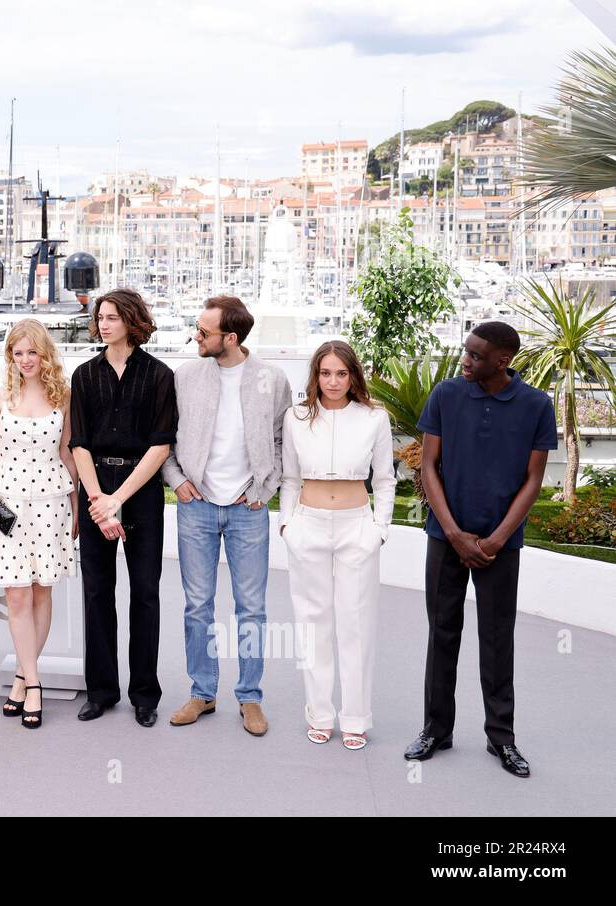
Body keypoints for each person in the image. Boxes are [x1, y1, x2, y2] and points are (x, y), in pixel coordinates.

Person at [403, 322, 556, 778]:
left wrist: (495, 539)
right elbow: (429, 465)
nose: (465, 360)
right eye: (465, 352)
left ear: (502, 360)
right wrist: (452, 532)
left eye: (474, 355)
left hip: (500, 545)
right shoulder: (447, 395)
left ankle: (502, 739)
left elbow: (533, 480)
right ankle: (436, 729)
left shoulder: (535, 405)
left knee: (496, 639)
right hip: (444, 538)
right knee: (442, 633)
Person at [162, 295, 291, 736]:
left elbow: (280, 441)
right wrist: (177, 480)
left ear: (230, 338)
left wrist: (264, 489)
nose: (195, 336)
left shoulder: (272, 380)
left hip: (247, 509)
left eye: (203, 331)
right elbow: (165, 438)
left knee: (251, 609)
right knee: (197, 606)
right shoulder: (185, 376)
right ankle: (202, 692)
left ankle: (250, 698)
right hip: (195, 506)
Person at [279, 340, 396, 751]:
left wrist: (378, 529)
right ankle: (320, 713)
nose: (333, 381)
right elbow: (289, 479)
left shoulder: (374, 418)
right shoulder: (295, 418)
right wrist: (288, 525)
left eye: (341, 373)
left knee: (356, 623)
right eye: (325, 373)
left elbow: (384, 480)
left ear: (353, 376)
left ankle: (356, 717)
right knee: (313, 625)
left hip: (356, 528)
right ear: (315, 375)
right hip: (307, 526)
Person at [69, 289, 176, 728]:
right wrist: (98, 500)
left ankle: (144, 695)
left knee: (145, 595)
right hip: (96, 488)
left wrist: (118, 500)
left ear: (132, 321)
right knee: (96, 593)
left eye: (112, 317)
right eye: (101, 317)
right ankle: (101, 691)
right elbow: (78, 443)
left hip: (140, 491)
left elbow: (161, 444)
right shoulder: (84, 374)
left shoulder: (159, 375)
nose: (104, 324)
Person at [0, 319, 79, 730]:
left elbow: (69, 452)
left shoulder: (63, 397)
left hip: (52, 503)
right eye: (17, 353)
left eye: (32, 352)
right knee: (16, 596)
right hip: (9, 505)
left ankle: (22, 676)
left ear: (44, 354)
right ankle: (34, 682)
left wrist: (76, 505)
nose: (25, 360)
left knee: (40, 592)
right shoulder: (1, 397)